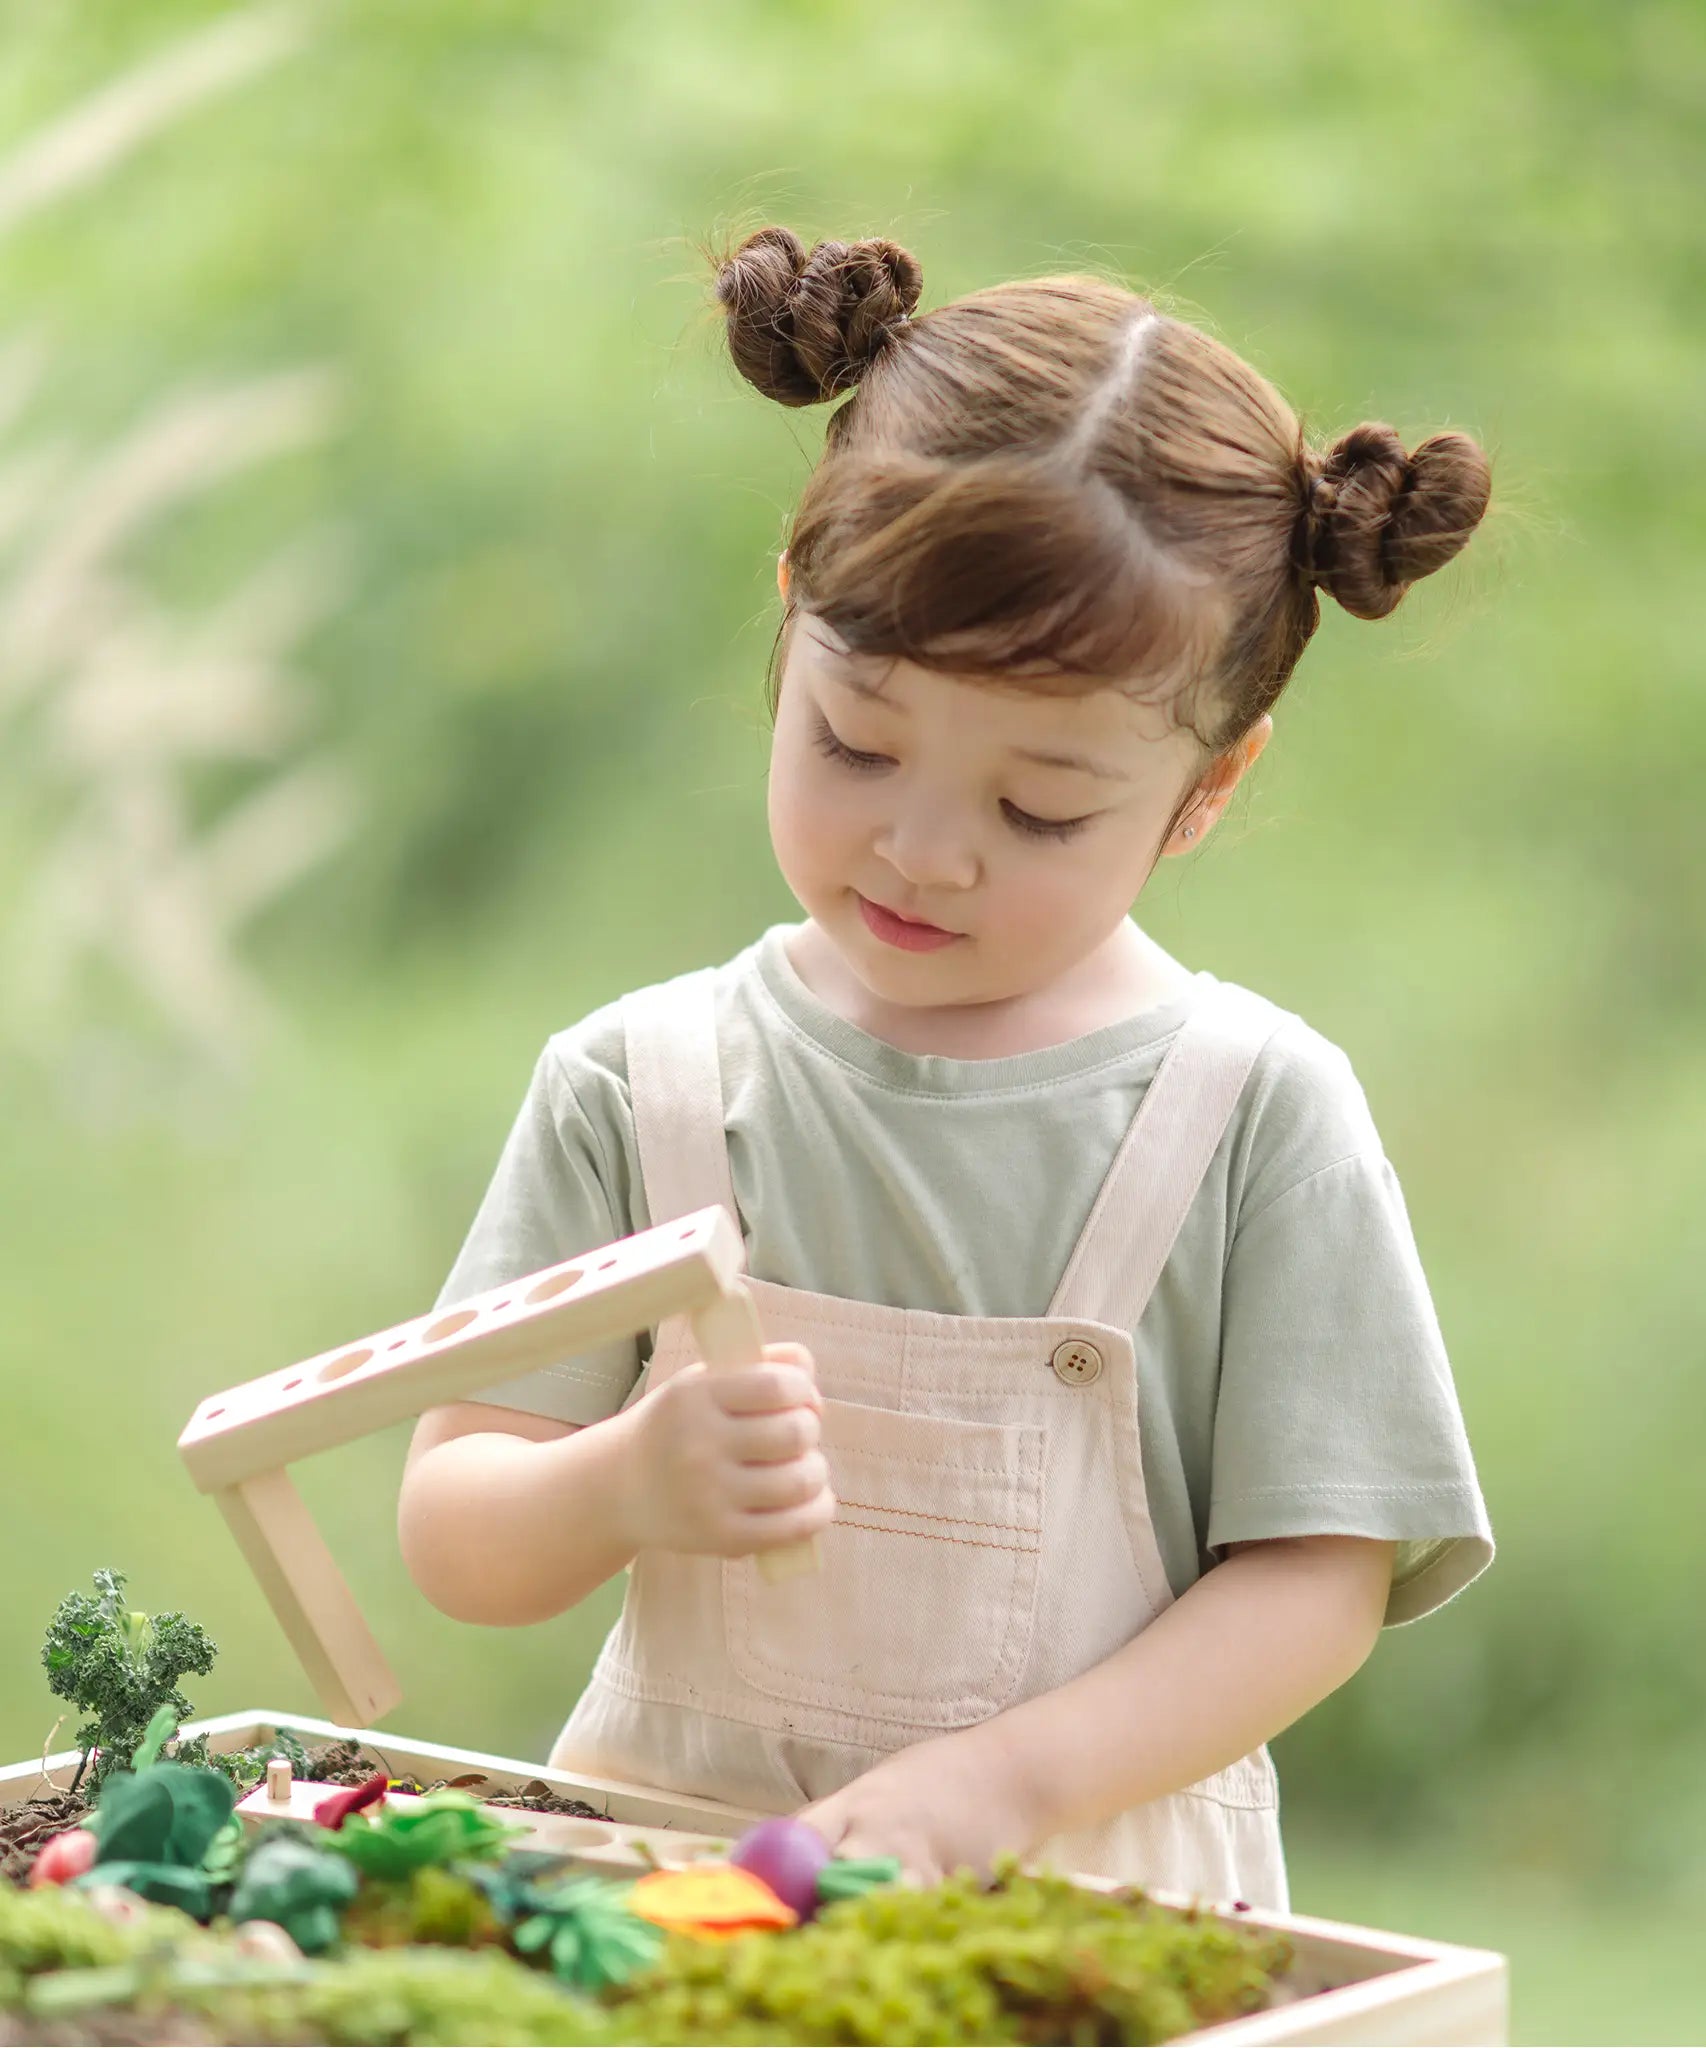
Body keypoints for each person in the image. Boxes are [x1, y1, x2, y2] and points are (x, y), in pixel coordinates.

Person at [397, 226, 1496, 1913]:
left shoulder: (1249, 1116)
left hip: (1081, 1919)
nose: (922, 852)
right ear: (790, 614)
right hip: (671, 1904)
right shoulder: (647, 1084)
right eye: (857, 740)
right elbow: (457, 1524)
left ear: (1205, 789)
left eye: (1038, 809)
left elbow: (1314, 1584)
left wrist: (1001, 1784)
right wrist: (621, 1479)